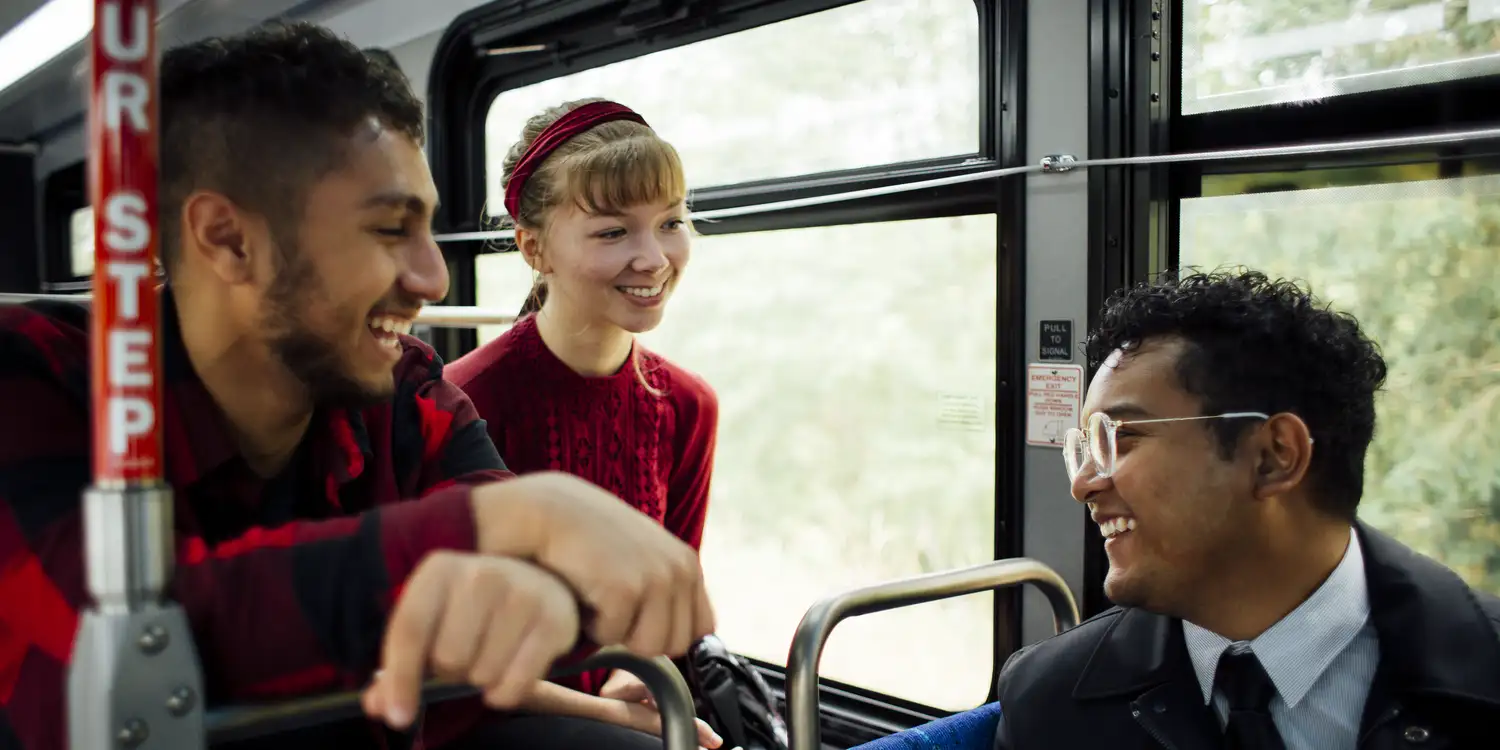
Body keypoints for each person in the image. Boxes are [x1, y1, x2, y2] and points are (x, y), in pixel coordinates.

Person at [0, 23, 714, 750]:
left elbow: (510, 581)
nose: (432, 277)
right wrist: (505, 526)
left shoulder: (407, 390)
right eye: (387, 230)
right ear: (228, 239)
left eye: (428, 229)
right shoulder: (35, 378)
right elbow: (103, 653)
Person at [989, 270, 1500, 749]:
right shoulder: (1048, 700)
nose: (1083, 484)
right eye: (1083, 449)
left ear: (1274, 456)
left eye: (1119, 437)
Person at [445, 98, 720, 744]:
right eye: (612, 232)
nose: (653, 258)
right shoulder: (468, 403)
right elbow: (454, 665)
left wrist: (646, 670)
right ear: (534, 249)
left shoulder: (686, 405)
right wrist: (619, 718)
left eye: (671, 222)